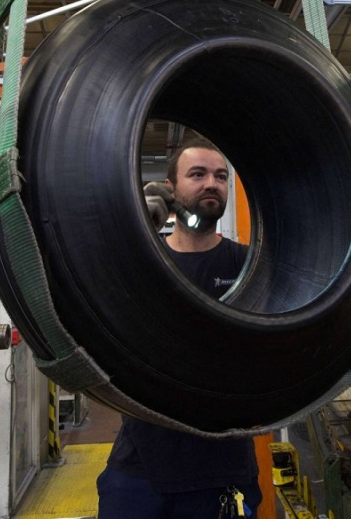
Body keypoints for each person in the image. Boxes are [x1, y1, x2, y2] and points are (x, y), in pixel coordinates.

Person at [96, 138, 262, 518]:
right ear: (170, 189)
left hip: (221, 467)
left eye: (220, 176)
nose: (212, 184)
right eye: (197, 174)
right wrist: (134, 230)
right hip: (142, 466)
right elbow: (94, 306)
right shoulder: (141, 263)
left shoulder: (250, 265)